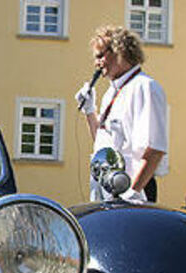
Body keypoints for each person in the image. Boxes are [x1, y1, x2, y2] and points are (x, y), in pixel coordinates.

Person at [75, 25, 168, 202]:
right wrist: (89, 110)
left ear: (119, 51)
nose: (97, 63)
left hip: (133, 190)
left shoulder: (145, 87)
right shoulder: (112, 93)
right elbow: (103, 144)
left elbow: (155, 149)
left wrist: (132, 192)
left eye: (101, 56)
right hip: (108, 190)